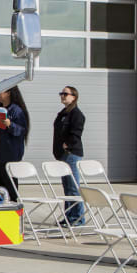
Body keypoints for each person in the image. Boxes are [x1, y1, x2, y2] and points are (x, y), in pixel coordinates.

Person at [0, 85, 30, 201]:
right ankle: (3, 201)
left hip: (9, 151)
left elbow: (21, 130)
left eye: (1, 91)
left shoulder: (16, 110)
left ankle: (13, 201)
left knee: (9, 180)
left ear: (8, 93)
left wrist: (10, 125)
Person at [53, 85, 85, 226]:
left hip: (71, 154)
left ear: (74, 97)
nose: (63, 96)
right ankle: (68, 216)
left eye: (66, 94)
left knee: (73, 187)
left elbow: (76, 132)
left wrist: (68, 144)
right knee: (67, 188)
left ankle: (78, 218)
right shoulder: (63, 113)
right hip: (62, 155)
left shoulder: (76, 114)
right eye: (61, 93)